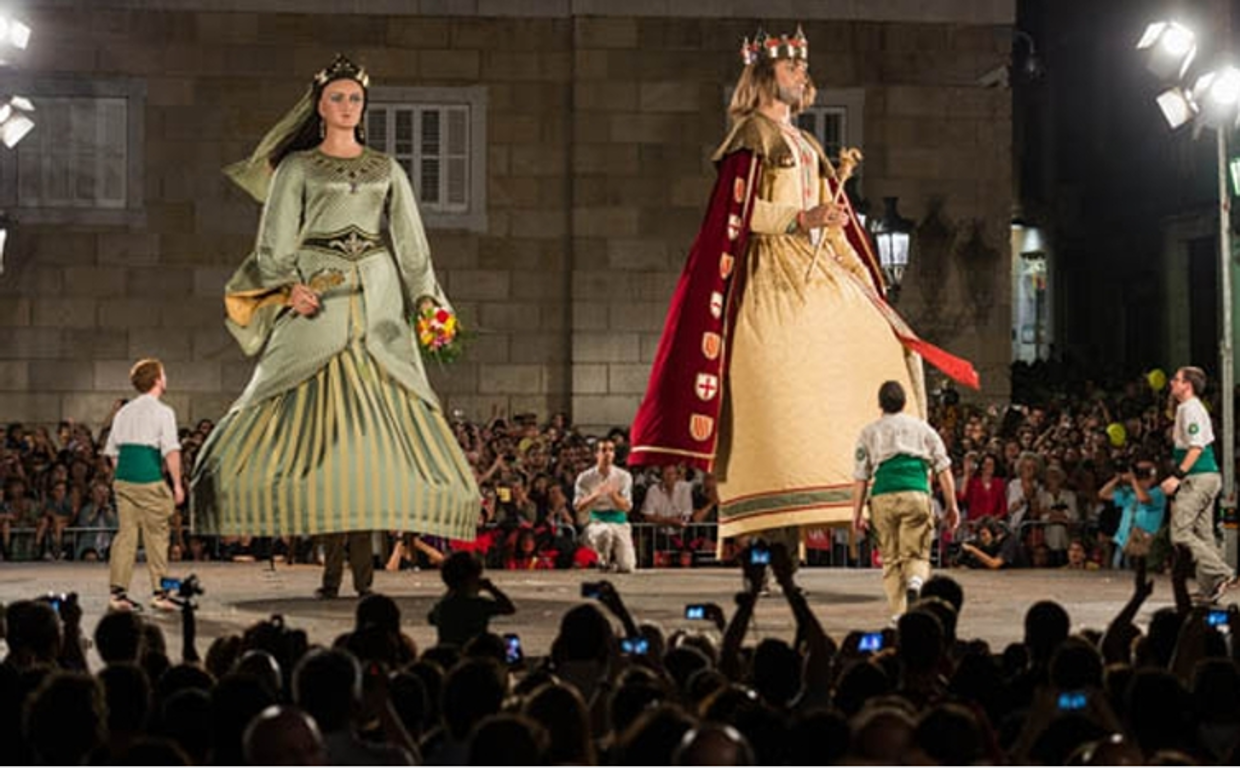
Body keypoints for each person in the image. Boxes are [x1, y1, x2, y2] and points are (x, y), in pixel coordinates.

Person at [627, 27, 976, 553]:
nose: (802, 76)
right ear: (766, 76)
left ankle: (860, 480)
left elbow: (828, 222)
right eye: (792, 69)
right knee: (781, 368)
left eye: (802, 69)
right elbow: (738, 216)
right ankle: (771, 507)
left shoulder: (808, 144)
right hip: (770, 270)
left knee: (880, 341)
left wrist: (845, 245)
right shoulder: (751, 136)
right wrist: (801, 217)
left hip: (818, 267)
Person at [189, 55, 480, 597]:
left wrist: (428, 303)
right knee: (294, 414)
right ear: (319, 105)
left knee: (372, 446)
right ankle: (296, 543)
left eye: (355, 99)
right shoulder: (297, 168)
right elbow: (272, 244)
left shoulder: (388, 169)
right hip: (317, 297)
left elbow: (413, 248)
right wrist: (285, 286)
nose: (348, 106)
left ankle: (367, 572)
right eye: (337, 98)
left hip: (379, 297)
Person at [852, 381, 961, 618]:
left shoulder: (868, 432)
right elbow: (944, 469)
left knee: (891, 560)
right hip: (916, 493)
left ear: (880, 404)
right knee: (917, 555)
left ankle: (899, 614)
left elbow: (861, 477)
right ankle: (916, 582)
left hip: (883, 495)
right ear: (904, 403)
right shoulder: (923, 429)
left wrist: (857, 514)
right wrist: (952, 506)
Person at [104, 359, 183, 613]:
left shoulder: (123, 412)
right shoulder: (164, 412)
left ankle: (118, 594)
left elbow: (112, 452)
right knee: (158, 535)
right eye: (164, 374)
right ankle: (161, 593)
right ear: (157, 380)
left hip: (124, 478)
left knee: (126, 536)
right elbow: (171, 451)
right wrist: (177, 485)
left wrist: (126, 476)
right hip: (148, 477)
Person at [1159, 367, 1238, 602]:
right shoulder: (1189, 408)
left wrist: (1177, 476)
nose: (1172, 382)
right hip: (1208, 477)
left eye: (1177, 379)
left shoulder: (1190, 409)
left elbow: (1196, 447)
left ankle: (1223, 573)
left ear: (1188, 385)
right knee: (1204, 535)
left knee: (1180, 533)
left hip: (1198, 477)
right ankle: (1209, 589)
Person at [428, 551, 517, 648]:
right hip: (475, 653)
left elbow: (431, 618)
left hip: (448, 657)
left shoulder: (443, 606)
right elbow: (509, 608)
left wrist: (451, 589)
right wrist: (491, 588)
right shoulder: (478, 605)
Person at [573, 439, 636, 573]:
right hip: (596, 522)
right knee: (605, 532)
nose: (607, 454)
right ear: (596, 454)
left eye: (611, 450)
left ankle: (615, 559)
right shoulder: (585, 477)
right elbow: (578, 506)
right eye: (603, 450)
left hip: (618, 522)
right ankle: (603, 560)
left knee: (627, 567)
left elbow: (627, 506)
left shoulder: (624, 476)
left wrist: (613, 495)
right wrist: (594, 495)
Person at [1099, 457, 1165, 568]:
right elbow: (1103, 494)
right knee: (1119, 575)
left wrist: (1134, 480)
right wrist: (1118, 479)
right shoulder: (1130, 492)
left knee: (1139, 573)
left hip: (1144, 542)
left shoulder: (1158, 492)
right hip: (1124, 540)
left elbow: (1143, 499)